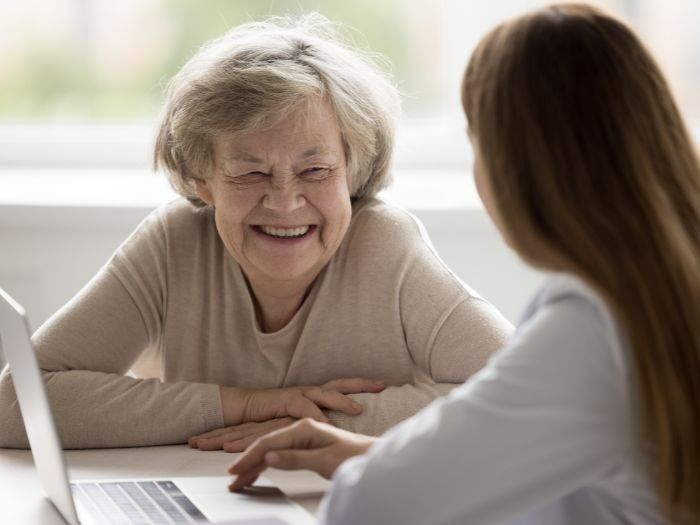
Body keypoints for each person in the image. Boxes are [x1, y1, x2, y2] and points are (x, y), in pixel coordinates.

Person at [228, 4, 700, 525]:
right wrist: (373, 456)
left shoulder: (593, 326)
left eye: (477, 141)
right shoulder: (663, 290)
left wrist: (382, 469)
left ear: (517, 166)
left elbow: (371, 506)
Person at [0, 15, 512, 450]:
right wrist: (242, 405)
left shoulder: (385, 244)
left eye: (316, 171)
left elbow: (528, 390)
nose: (285, 201)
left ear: (351, 171)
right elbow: (12, 405)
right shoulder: (173, 244)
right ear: (203, 181)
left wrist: (316, 423)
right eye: (250, 173)